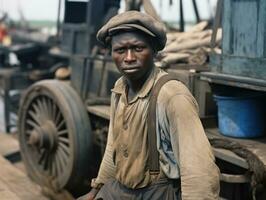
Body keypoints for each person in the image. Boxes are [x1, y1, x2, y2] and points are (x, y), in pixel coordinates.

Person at [78, 10, 220, 200]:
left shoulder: (172, 95)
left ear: (154, 50)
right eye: (120, 50)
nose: (128, 57)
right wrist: (96, 190)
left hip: (158, 193)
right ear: (111, 53)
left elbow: (198, 171)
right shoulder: (120, 89)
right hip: (122, 189)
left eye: (138, 48)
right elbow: (114, 145)